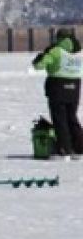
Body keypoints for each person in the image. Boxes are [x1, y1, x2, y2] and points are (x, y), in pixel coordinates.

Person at [33, 28, 83, 159]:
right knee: (72, 117)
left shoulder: (56, 51)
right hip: (75, 87)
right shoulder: (79, 52)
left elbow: (39, 65)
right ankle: (79, 147)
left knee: (60, 119)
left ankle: (64, 148)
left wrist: (41, 57)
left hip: (58, 86)